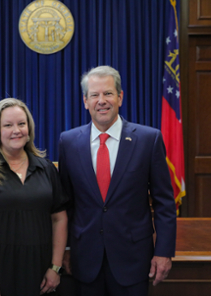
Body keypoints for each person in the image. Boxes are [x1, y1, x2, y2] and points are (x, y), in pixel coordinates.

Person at [58, 66, 176, 295]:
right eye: (94, 95)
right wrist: (66, 249)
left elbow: (164, 203)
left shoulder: (148, 140)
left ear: (120, 97)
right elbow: (66, 203)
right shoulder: (68, 142)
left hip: (133, 260)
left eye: (108, 93)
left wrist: (164, 251)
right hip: (85, 260)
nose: (101, 101)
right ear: (85, 101)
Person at [0, 98, 69, 296]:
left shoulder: (46, 168)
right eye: (8, 125)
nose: (16, 130)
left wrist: (55, 267)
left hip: (38, 272)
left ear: (29, 128)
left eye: (21, 124)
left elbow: (59, 218)